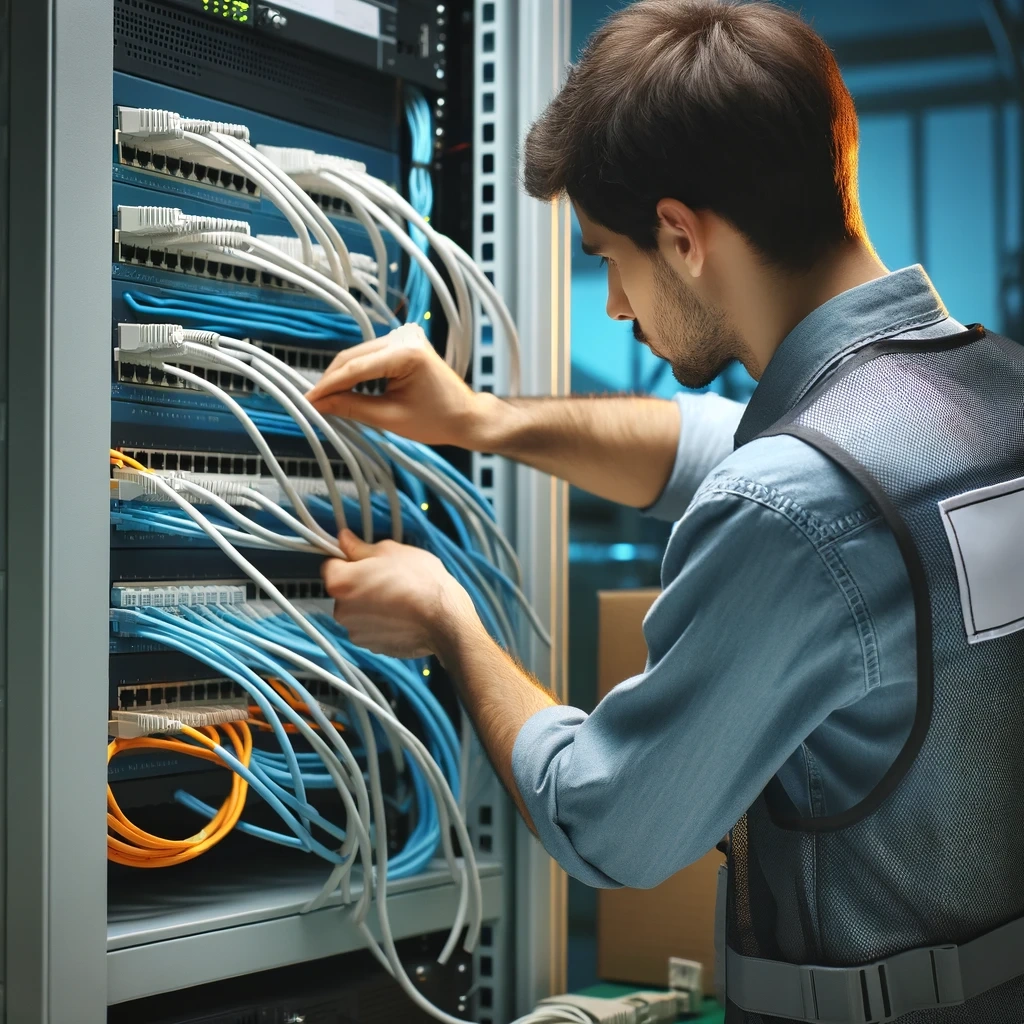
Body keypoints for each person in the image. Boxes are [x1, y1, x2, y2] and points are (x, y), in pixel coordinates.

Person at [306, 1, 1024, 1020]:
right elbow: (718, 450)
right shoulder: (991, 397)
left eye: (608, 256)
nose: (613, 307)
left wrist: (447, 617)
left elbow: (611, 822)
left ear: (681, 238)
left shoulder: (795, 505)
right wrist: (479, 419)